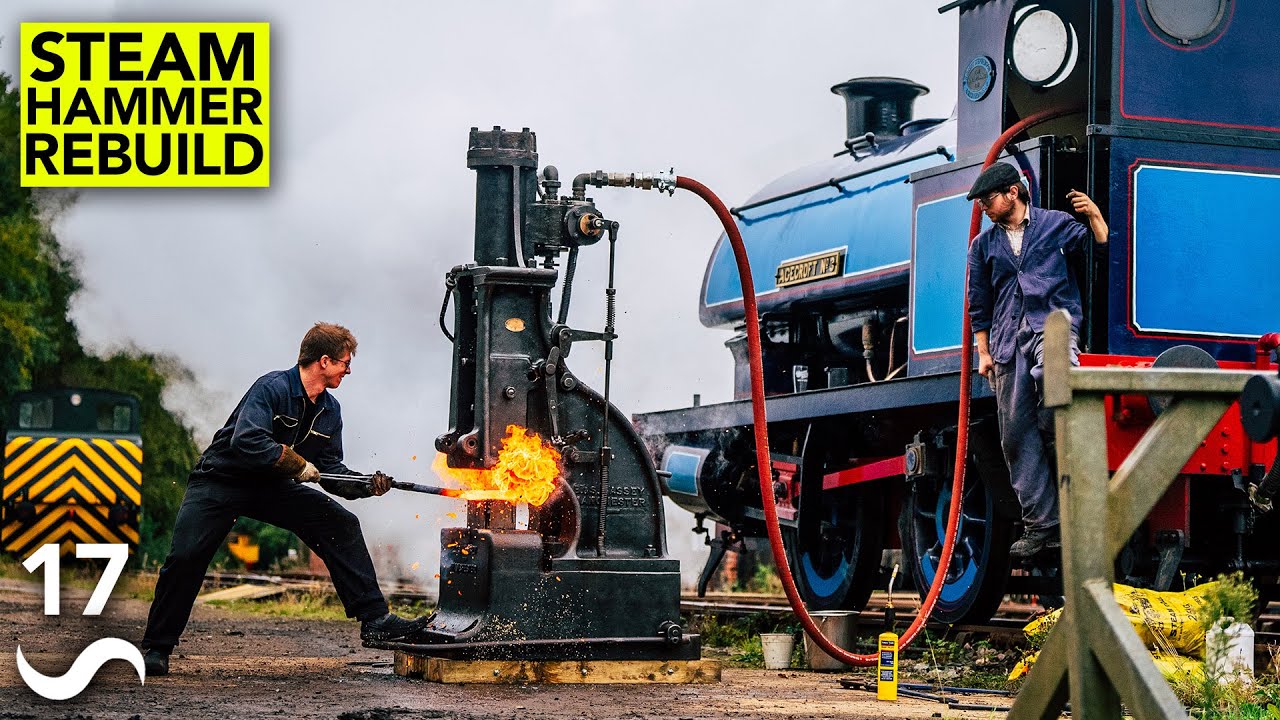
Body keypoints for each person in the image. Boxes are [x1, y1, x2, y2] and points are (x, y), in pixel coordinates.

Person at [141, 323, 425, 676]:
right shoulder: (272, 388)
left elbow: (332, 472)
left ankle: (375, 620)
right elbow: (245, 441)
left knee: (340, 522)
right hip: (221, 480)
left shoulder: (330, 410)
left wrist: (368, 484)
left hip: (270, 487)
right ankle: (157, 647)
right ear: (324, 361)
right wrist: (294, 463)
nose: (348, 370)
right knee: (185, 556)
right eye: (344, 363)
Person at [965, 162, 1108, 558]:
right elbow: (979, 301)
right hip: (1007, 340)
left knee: (1054, 388)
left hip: (1054, 327)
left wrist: (1094, 213)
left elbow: (1099, 247)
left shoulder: (1054, 224)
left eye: (988, 199)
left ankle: (1074, 492)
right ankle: (1042, 523)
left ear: (1013, 192)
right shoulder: (983, 246)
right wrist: (984, 352)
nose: (984, 207)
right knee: (1014, 434)